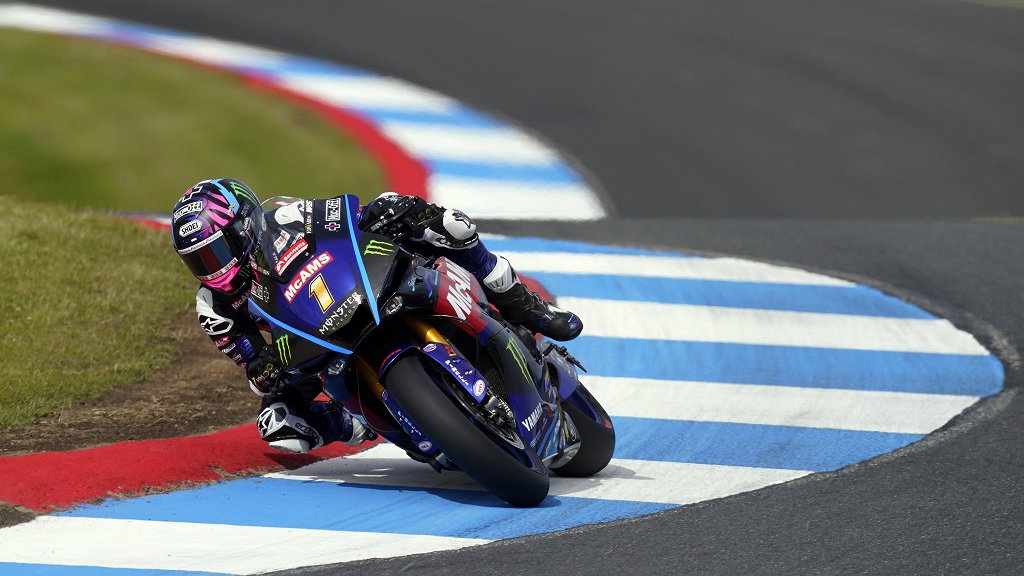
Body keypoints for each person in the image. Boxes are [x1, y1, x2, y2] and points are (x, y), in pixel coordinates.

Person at [170, 178, 583, 454]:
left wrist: (386, 214)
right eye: (198, 261)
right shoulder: (214, 304)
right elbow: (250, 360)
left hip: (361, 288)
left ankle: (520, 303)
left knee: (446, 225)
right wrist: (263, 370)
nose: (212, 269)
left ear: (245, 227)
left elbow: (346, 217)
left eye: (216, 252)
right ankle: (354, 421)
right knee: (277, 424)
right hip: (311, 346)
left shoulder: (283, 217)